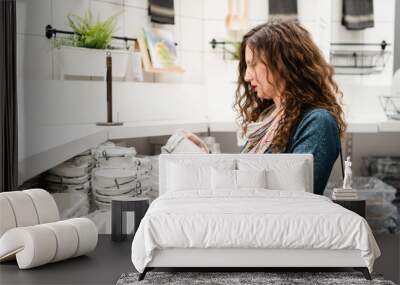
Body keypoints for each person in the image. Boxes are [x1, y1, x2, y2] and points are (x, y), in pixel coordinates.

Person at [185, 21, 347, 195]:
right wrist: (208, 161)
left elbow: (296, 196)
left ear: (282, 65)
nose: (247, 76)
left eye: (253, 64)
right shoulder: (268, 119)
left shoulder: (317, 123)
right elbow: (246, 180)